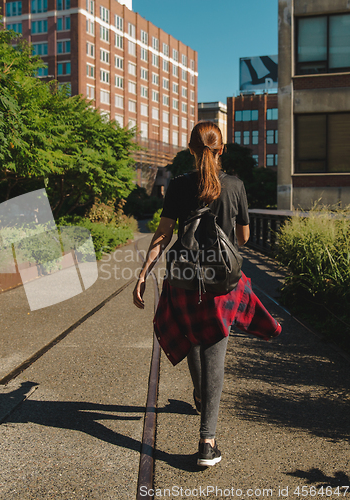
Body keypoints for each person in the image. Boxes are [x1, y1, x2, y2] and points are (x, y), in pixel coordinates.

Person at [133, 121, 281, 467]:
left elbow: (162, 234)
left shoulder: (180, 185)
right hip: (219, 284)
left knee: (193, 339)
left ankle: (200, 394)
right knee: (215, 352)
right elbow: (243, 239)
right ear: (222, 150)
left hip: (183, 279)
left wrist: (143, 274)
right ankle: (207, 442)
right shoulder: (235, 186)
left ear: (189, 150)